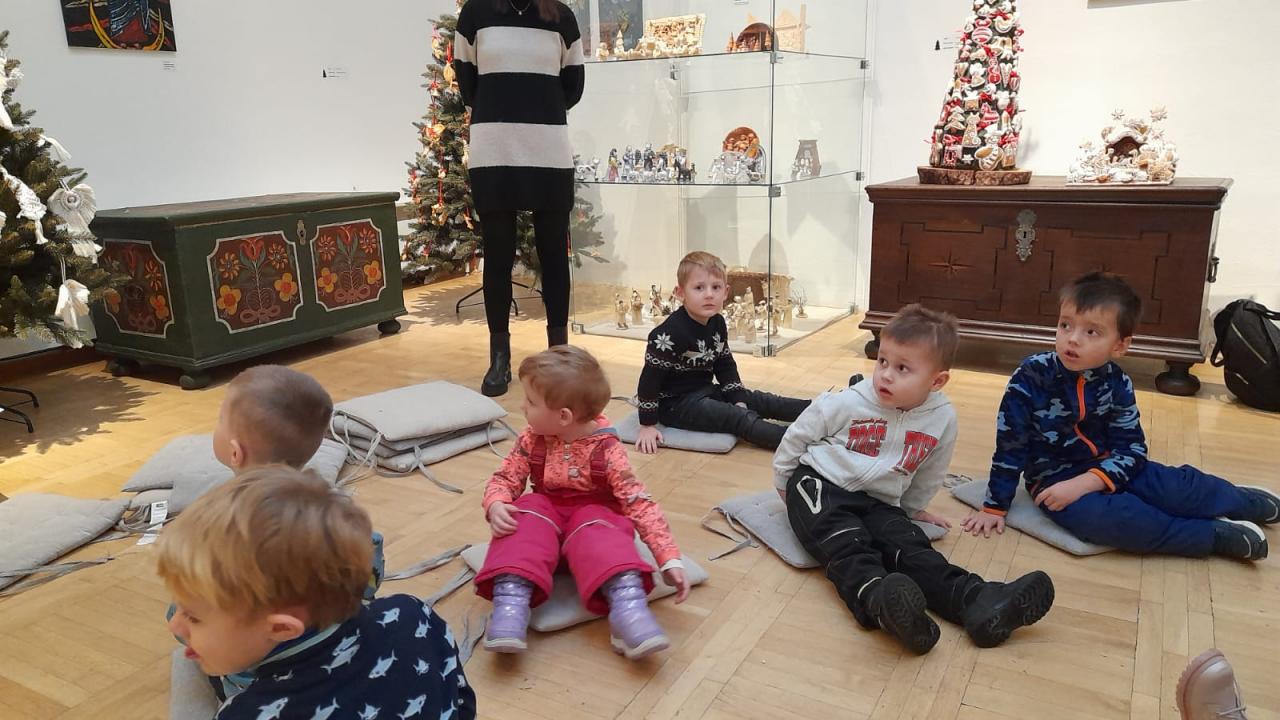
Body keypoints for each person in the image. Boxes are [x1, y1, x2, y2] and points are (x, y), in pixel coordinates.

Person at [775, 304, 1054, 654]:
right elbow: (798, 435)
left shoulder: (942, 417)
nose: (885, 375)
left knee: (910, 547)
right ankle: (878, 599)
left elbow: (931, 469)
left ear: (936, 381)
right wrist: (784, 481)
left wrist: (911, 509)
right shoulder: (847, 403)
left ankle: (976, 600)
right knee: (847, 544)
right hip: (821, 485)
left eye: (902, 368)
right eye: (882, 361)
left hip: (879, 499)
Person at [962, 272, 1279, 559]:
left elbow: (1132, 449)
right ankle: (1212, 536)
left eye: (1091, 331)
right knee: (1120, 521)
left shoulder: (1118, 382)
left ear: (1120, 345)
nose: (1073, 338)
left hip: (1116, 466)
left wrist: (1091, 480)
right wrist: (994, 506)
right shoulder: (1030, 377)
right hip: (1055, 480)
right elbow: (1010, 447)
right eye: (1065, 325)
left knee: (1179, 486)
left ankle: (1242, 502)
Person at [159, 467, 475, 720]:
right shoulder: (414, 614)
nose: (174, 624)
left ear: (281, 628)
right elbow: (461, 702)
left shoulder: (249, 712)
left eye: (193, 617)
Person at [176, 365, 386, 702]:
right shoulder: (334, 515)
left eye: (219, 420)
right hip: (334, 642)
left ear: (235, 452)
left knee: (183, 618)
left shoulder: (222, 523)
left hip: (258, 678)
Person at [476, 346, 689, 659]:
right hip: (543, 538)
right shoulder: (531, 438)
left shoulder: (609, 450)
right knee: (528, 508)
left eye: (531, 402)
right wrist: (496, 503)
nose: (522, 406)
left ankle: (628, 610)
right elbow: (505, 479)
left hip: (590, 539)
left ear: (563, 416)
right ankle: (511, 602)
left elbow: (639, 503)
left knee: (601, 521)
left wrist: (668, 557)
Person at [454, 0, 586, 397]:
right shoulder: (475, 14)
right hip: (495, 147)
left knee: (553, 253)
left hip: (548, 146)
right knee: (497, 254)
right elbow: (467, 83)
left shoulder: (561, 17)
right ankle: (499, 357)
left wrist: (536, 109)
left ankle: (560, 354)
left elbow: (573, 86)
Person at [635, 251, 810, 453]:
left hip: (706, 391)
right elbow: (649, 382)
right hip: (675, 405)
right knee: (738, 418)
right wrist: (647, 425)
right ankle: (802, 441)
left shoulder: (717, 322)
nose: (709, 294)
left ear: (725, 292)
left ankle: (825, 410)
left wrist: (738, 398)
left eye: (716, 287)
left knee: (761, 400)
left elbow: (724, 364)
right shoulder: (667, 335)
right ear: (680, 293)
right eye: (699, 288)